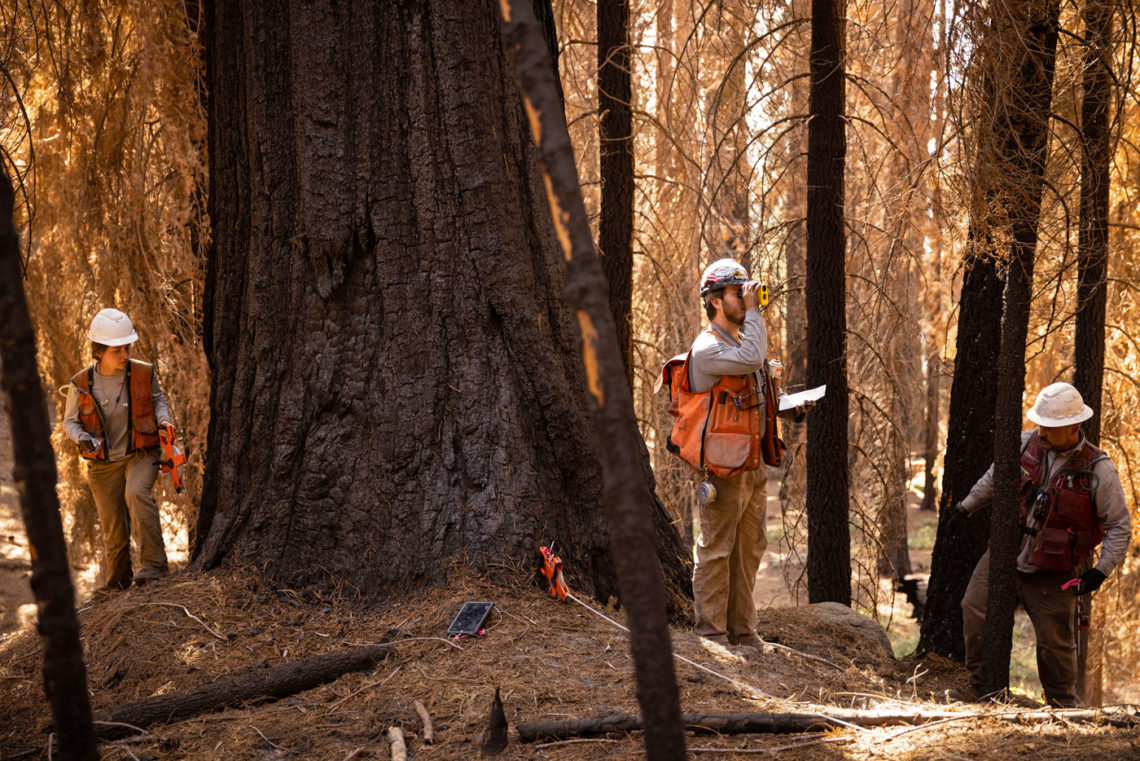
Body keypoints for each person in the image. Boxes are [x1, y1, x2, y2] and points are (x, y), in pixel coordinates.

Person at [947, 382, 1132, 706]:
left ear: (1073, 427)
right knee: (973, 607)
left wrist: (1100, 571)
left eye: (1050, 428)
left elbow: (1120, 526)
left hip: (1054, 570)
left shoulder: (1098, 469)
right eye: (1040, 425)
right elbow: (993, 479)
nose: (1041, 433)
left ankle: (1063, 708)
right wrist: (966, 507)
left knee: (1054, 644)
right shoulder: (1023, 445)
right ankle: (979, 686)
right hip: (1006, 552)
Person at [670, 258, 806, 650]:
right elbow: (750, 360)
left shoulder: (740, 343)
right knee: (716, 552)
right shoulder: (708, 346)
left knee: (749, 551)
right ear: (714, 301)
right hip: (721, 469)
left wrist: (788, 406)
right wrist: (755, 313)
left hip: (750, 463)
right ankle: (711, 636)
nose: (745, 297)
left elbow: (748, 397)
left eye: (745, 291)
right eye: (736, 292)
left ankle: (744, 634)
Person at [63, 308, 175, 591]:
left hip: (140, 452)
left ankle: (154, 567)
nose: (124, 354)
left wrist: (164, 419)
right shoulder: (81, 383)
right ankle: (118, 581)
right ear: (99, 351)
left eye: (127, 348)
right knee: (113, 525)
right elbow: (69, 422)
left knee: (136, 493)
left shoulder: (142, 373)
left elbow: (158, 400)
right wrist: (82, 439)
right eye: (117, 350)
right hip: (102, 463)